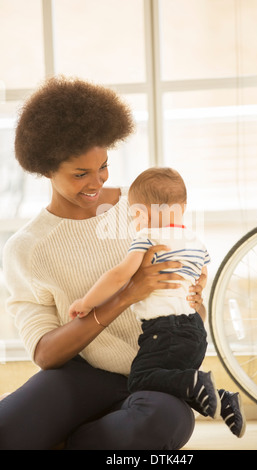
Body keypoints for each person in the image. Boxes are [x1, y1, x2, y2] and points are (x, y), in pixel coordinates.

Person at [0, 76, 207, 450]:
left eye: (103, 167)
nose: (96, 183)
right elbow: (46, 353)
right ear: (46, 169)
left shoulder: (143, 208)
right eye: (80, 174)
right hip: (81, 377)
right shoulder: (27, 248)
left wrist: (195, 296)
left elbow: (186, 300)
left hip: (155, 379)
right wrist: (126, 295)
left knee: (159, 424)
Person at [69, 167, 246, 438]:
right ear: (182, 208)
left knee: (141, 379)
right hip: (195, 332)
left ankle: (195, 381)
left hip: (163, 331)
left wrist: (87, 301)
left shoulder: (148, 237)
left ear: (142, 213)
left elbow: (119, 276)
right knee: (170, 384)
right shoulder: (195, 240)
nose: (134, 221)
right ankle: (224, 401)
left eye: (134, 215)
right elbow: (201, 278)